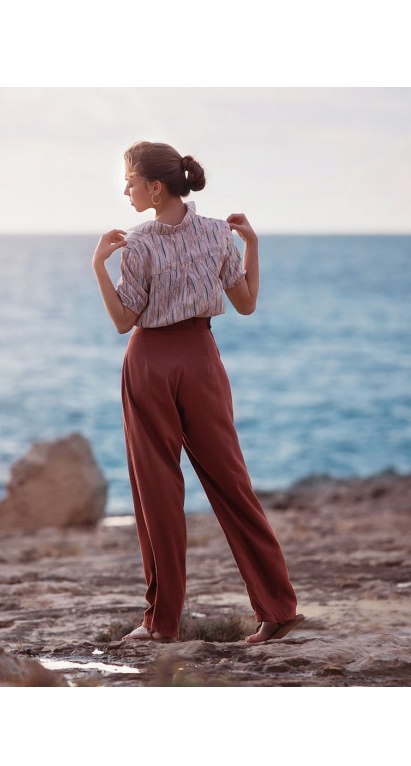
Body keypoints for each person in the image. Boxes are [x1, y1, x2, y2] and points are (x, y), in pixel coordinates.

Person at [91, 140, 304, 644]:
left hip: (150, 364)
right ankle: (278, 609)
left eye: (131, 180)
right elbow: (247, 304)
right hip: (203, 362)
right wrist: (252, 244)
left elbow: (124, 321)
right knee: (232, 482)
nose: (126, 189)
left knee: (157, 492)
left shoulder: (137, 242)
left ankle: (161, 625)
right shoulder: (216, 234)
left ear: (155, 187)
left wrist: (97, 266)